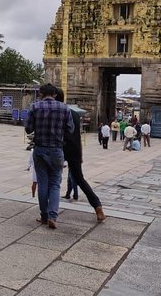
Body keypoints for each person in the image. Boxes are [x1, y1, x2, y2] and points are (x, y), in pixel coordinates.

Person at [25, 83, 74, 229]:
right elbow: (70, 129)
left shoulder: (35, 107)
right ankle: (53, 215)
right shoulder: (65, 108)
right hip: (57, 150)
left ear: (41, 94)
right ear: (54, 94)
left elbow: (28, 129)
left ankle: (44, 215)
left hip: (40, 150)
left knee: (42, 183)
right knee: (55, 184)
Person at [56, 88, 105, 222]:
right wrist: (80, 154)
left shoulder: (55, 112)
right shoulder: (74, 114)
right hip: (74, 149)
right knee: (80, 179)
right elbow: (77, 136)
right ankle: (98, 207)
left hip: (58, 148)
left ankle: (48, 213)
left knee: (52, 180)